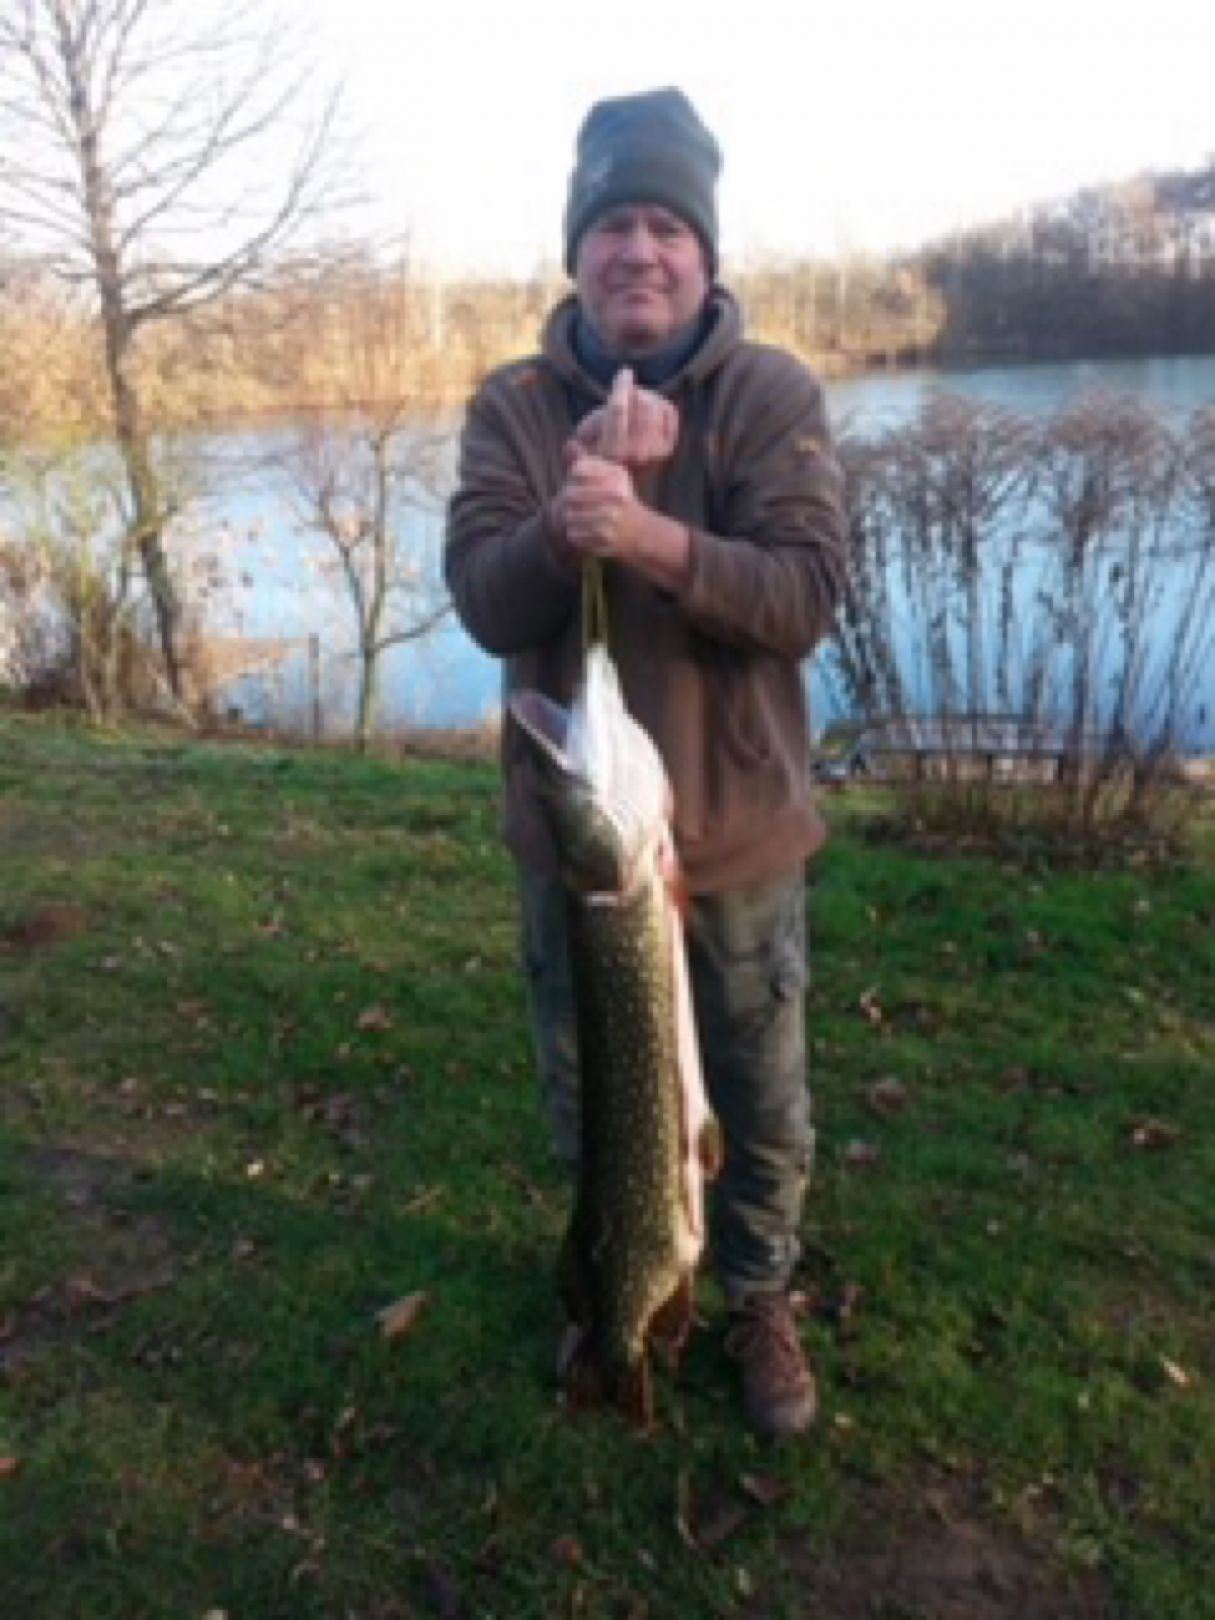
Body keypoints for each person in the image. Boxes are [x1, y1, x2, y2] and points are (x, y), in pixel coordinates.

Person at [444, 87, 847, 1439]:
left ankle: (757, 1298)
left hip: (728, 837)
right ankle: (623, 1284)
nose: (640, 250)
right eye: (613, 222)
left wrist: (653, 538)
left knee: (755, 1094)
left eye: (668, 224)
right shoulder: (512, 408)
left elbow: (801, 596)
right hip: (585, 857)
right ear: (577, 251)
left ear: (705, 253)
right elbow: (490, 603)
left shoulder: (769, 394)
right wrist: (567, 527)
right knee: (598, 1095)